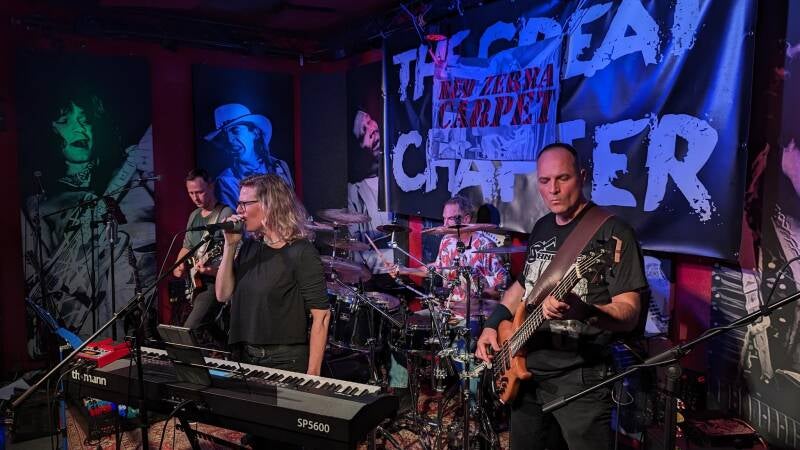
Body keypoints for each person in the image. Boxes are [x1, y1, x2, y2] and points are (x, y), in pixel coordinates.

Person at [475, 143, 648, 450]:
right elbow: (523, 286)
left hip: (579, 379)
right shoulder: (542, 226)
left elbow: (629, 312)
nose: (552, 190)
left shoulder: (613, 233)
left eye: (562, 178)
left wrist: (586, 312)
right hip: (526, 369)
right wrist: (492, 324)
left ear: (582, 176)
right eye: (544, 181)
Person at [20, 90, 154, 348]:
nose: (79, 128)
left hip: (110, 319)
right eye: (65, 120)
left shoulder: (128, 179)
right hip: (68, 322)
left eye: (85, 120)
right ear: (49, 130)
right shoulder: (38, 204)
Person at [387, 195, 507, 396]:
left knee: (463, 351)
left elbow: (502, 284)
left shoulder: (485, 246)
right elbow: (435, 269)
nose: (444, 224)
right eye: (443, 218)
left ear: (466, 219)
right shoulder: (447, 241)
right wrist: (404, 270)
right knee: (402, 330)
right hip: (444, 310)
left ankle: (474, 401)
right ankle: (401, 395)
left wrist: (477, 297)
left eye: (449, 219)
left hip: (471, 313)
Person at [215, 174, 330, 376]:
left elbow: (321, 316)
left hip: (284, 361)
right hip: (245, 356)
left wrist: (313, 374)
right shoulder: (249, 247)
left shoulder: (301, 252)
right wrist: (230, 246)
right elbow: (222, 295)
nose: (238, 210)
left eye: (245, 204)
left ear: (269, 205)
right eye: (238, 203)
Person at [172, 168, 232, 348]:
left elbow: (234, 252)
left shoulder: (225, 214)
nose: (195, 198)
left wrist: (212, 270)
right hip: (197, 280)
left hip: (215, 282)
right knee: (207, 325)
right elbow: (187, 246)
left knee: (190, 329)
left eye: (199, 192)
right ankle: (233, 352)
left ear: (211, 186)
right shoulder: (194, 215)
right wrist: (178, 265)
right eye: (191, 193)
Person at [204, 103, 293, 210]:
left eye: (235, 131)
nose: (230, 140)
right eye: (224, 135)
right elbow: (239, 219)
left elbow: (292, 207)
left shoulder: (279, 166)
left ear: (255, 133)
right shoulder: (226, 181)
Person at [347, 109, 393, 273]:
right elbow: (357, 248)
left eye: (369, 121)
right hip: (380, 272)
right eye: (363, 132)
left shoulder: (400, 177)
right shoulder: (354, 192)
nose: (372, 130)